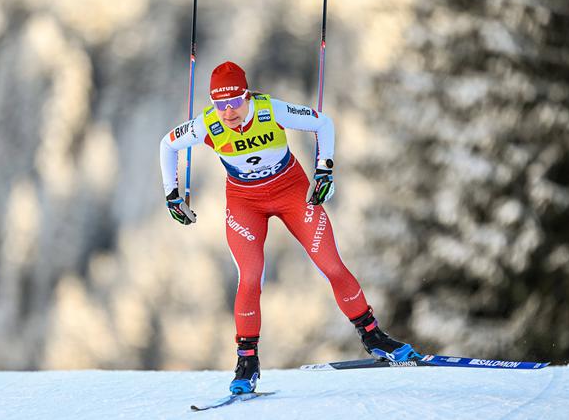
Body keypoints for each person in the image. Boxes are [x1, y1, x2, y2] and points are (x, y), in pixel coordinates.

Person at [159, 61, 420, 394]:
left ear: (246, 95)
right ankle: (247, 362)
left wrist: (324, 171)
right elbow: (168, 145)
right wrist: (172, 196)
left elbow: (322, 123)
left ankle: (373, 336)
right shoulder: (207, 124)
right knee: (250, 277)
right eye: (219, 104)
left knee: (331, 265)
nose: (228, 112)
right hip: (244, 202)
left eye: (235, 102)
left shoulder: (270, 110)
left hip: (291, 191)